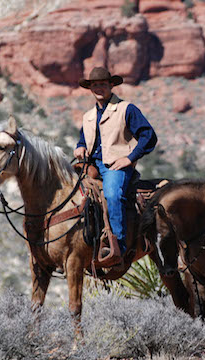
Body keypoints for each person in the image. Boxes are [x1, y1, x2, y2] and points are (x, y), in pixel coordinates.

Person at [74, 67, 157, 265]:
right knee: (70, 190)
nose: (99, 88)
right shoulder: (88, 116)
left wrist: (130, 158)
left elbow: (149, 136)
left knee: (112, 194)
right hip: (92, 164)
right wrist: (79, 147)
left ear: (111, 85)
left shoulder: (126, 109)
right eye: (95, 85)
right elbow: (84, 139)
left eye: (103, 84)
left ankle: (117, 244)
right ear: (90, 88)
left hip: (115, 165)